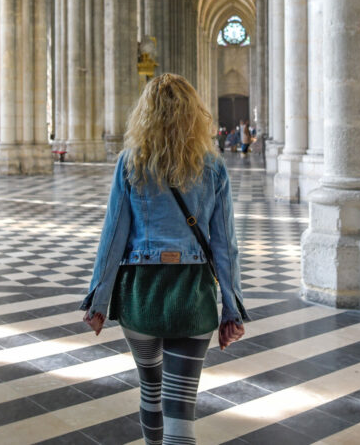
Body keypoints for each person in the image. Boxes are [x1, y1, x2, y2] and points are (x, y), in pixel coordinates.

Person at [81, 73, 248, 445]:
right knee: (180, 409)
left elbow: (112, 238)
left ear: (145, 115)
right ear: (195, 115)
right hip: (193, 298)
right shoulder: (213, 166)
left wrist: (98, 300)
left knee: (150, 389)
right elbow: (225, 246)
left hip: (141, 295)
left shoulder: (130, 163)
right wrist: (232, 310)